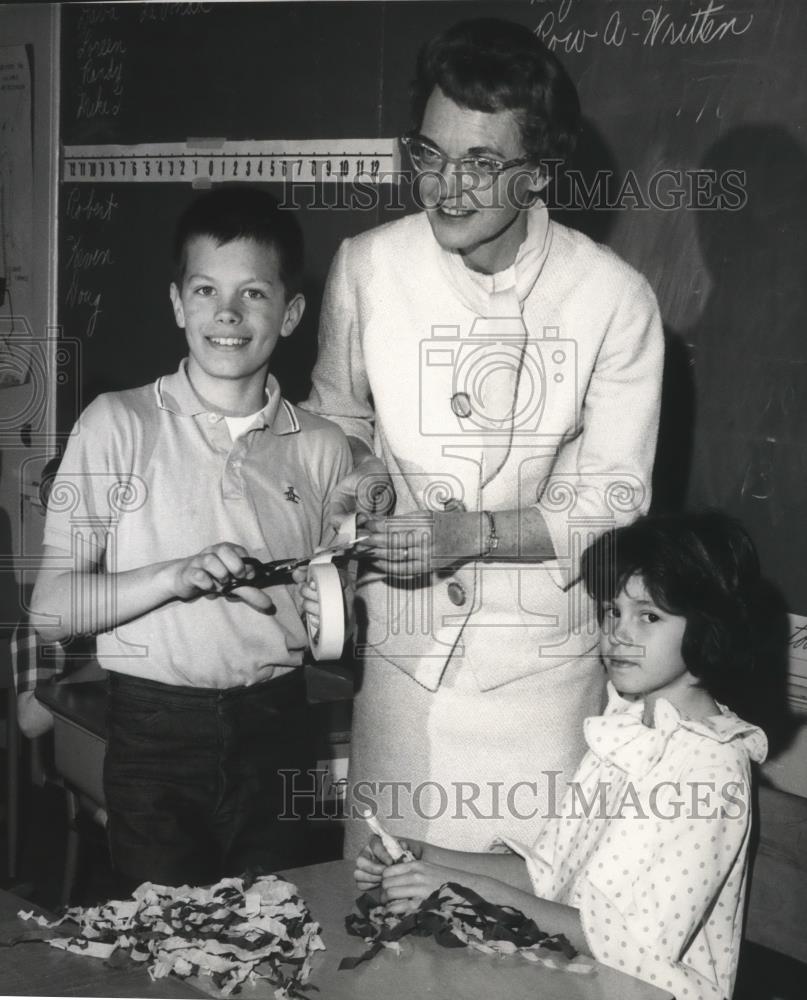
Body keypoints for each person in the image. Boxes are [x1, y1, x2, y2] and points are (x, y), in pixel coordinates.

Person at [302, 17, 665, 854]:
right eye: (427, 155)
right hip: (401, 667)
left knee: (523, 951)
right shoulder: (367, 264)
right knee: (378, 933)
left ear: (538, 173)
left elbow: (613, 496)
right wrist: (358, 477)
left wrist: (469, 534)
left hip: (536, 684)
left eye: (479, 162)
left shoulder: (612, 298)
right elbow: (335, 414)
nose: (444, 188)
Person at [30, 187, 353, 888]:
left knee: (278, 945)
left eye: (254, 294)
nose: (228, 314)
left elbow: (338, 609)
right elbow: (50, 610)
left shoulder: (324, 448)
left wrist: (342, 596)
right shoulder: (117, 424)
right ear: (178, 303)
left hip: (279, 731)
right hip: (154, 736)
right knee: (167, 958)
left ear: (290, 313)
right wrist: (173, 577)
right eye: (206, 289)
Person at [356, 511, 768, 1000]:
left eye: (648, 616)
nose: (618, 632)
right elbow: (548, 872)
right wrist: (426, 858)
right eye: (612, 611)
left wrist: (456, 888)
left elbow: (636, 949)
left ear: (710, 626)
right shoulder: (624, 729)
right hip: (570, 978)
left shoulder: (711, 766)